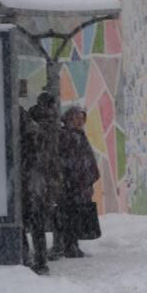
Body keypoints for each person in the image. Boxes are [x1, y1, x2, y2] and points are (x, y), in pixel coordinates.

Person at [23, 93, 62, 274]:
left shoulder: (31, 121)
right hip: (39, 177)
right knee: (39, 220)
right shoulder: (48, 125)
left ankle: (29, 258)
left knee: (28, 221)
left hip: (30, 177)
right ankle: (40, 260)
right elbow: (50, 155)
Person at [58, 106, 100, 258]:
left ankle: (72, 244)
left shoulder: (79, 135)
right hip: (72, 184)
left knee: (76, 215)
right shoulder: (67, 135)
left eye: (82, 119)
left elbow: (85, 159)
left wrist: (89, 176)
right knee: (71, 215)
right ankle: (69, 245)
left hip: (80, 183)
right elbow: (70, 161)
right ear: (70, 119)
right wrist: (76, 177)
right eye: (77, 118)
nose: (80, 121)